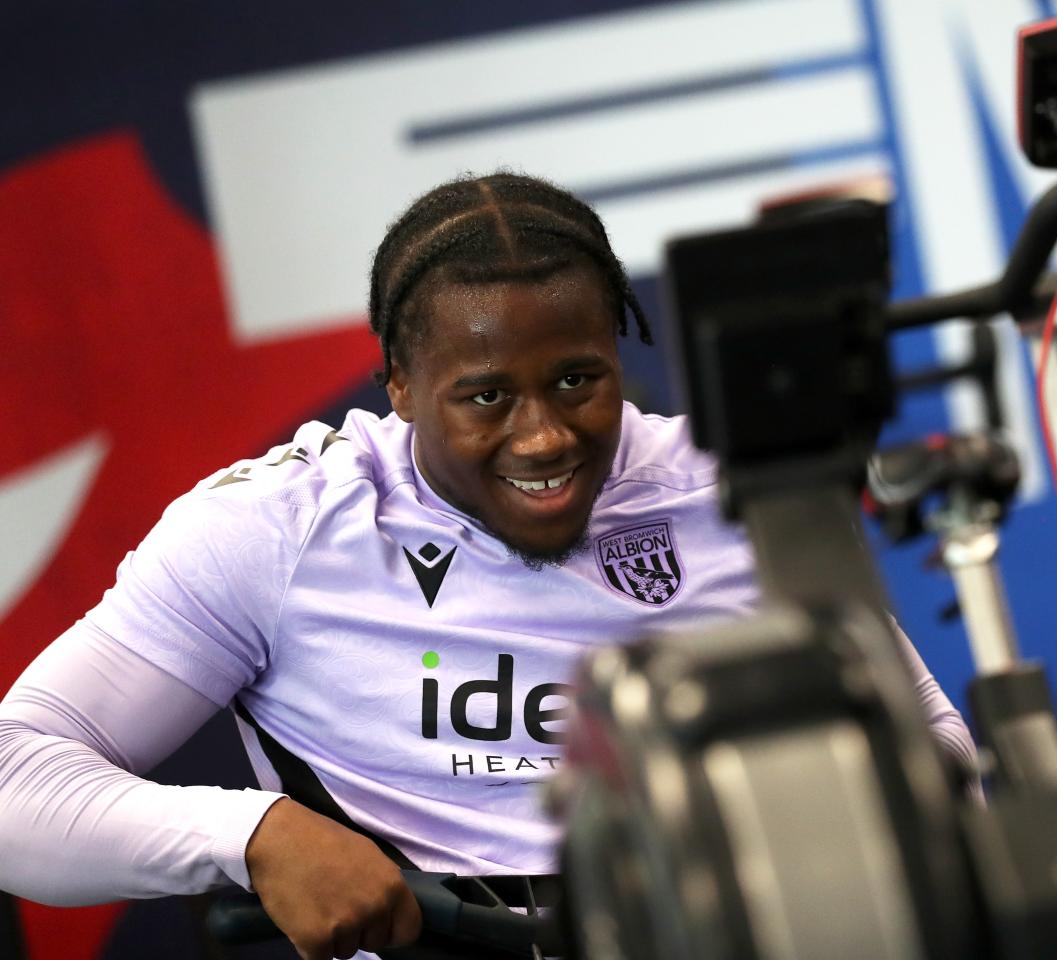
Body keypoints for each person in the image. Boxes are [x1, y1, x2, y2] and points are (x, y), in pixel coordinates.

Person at [0, 172, 976, 960]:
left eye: (575, 379)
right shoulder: (275, 529)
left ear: (616, 348)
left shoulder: (732, 486)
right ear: (398, 385)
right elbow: (14, 783)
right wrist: (253, 838)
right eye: (484, 397)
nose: (544, 436)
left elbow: (927, 740)